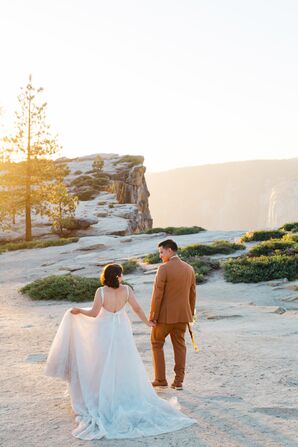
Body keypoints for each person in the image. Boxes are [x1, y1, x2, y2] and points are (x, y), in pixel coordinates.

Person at [45, 263, 196, 440]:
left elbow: (94, 313)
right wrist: (148, 322)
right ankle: (123, 391)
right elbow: (137, 308)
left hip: (105, 330)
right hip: (122, 329)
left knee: (102, 361)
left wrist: (79, 311)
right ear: (117, 276)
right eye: (121, 274)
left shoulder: (101, 292)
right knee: (125, 360)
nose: (122, 277)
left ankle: (104, 392)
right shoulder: (126, 290)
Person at [150, 239, 197, 391]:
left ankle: (160, 379)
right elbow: (193, 294)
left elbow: (158, 294)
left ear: (170, 251)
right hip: (183, 316)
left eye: (161, 252)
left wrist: (153, 315)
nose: (160, 256)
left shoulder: (164, 268)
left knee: (156, 343)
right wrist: (190, 314)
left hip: (164, 316)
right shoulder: (189, 269)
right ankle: (178, 382)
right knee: (180, 346)